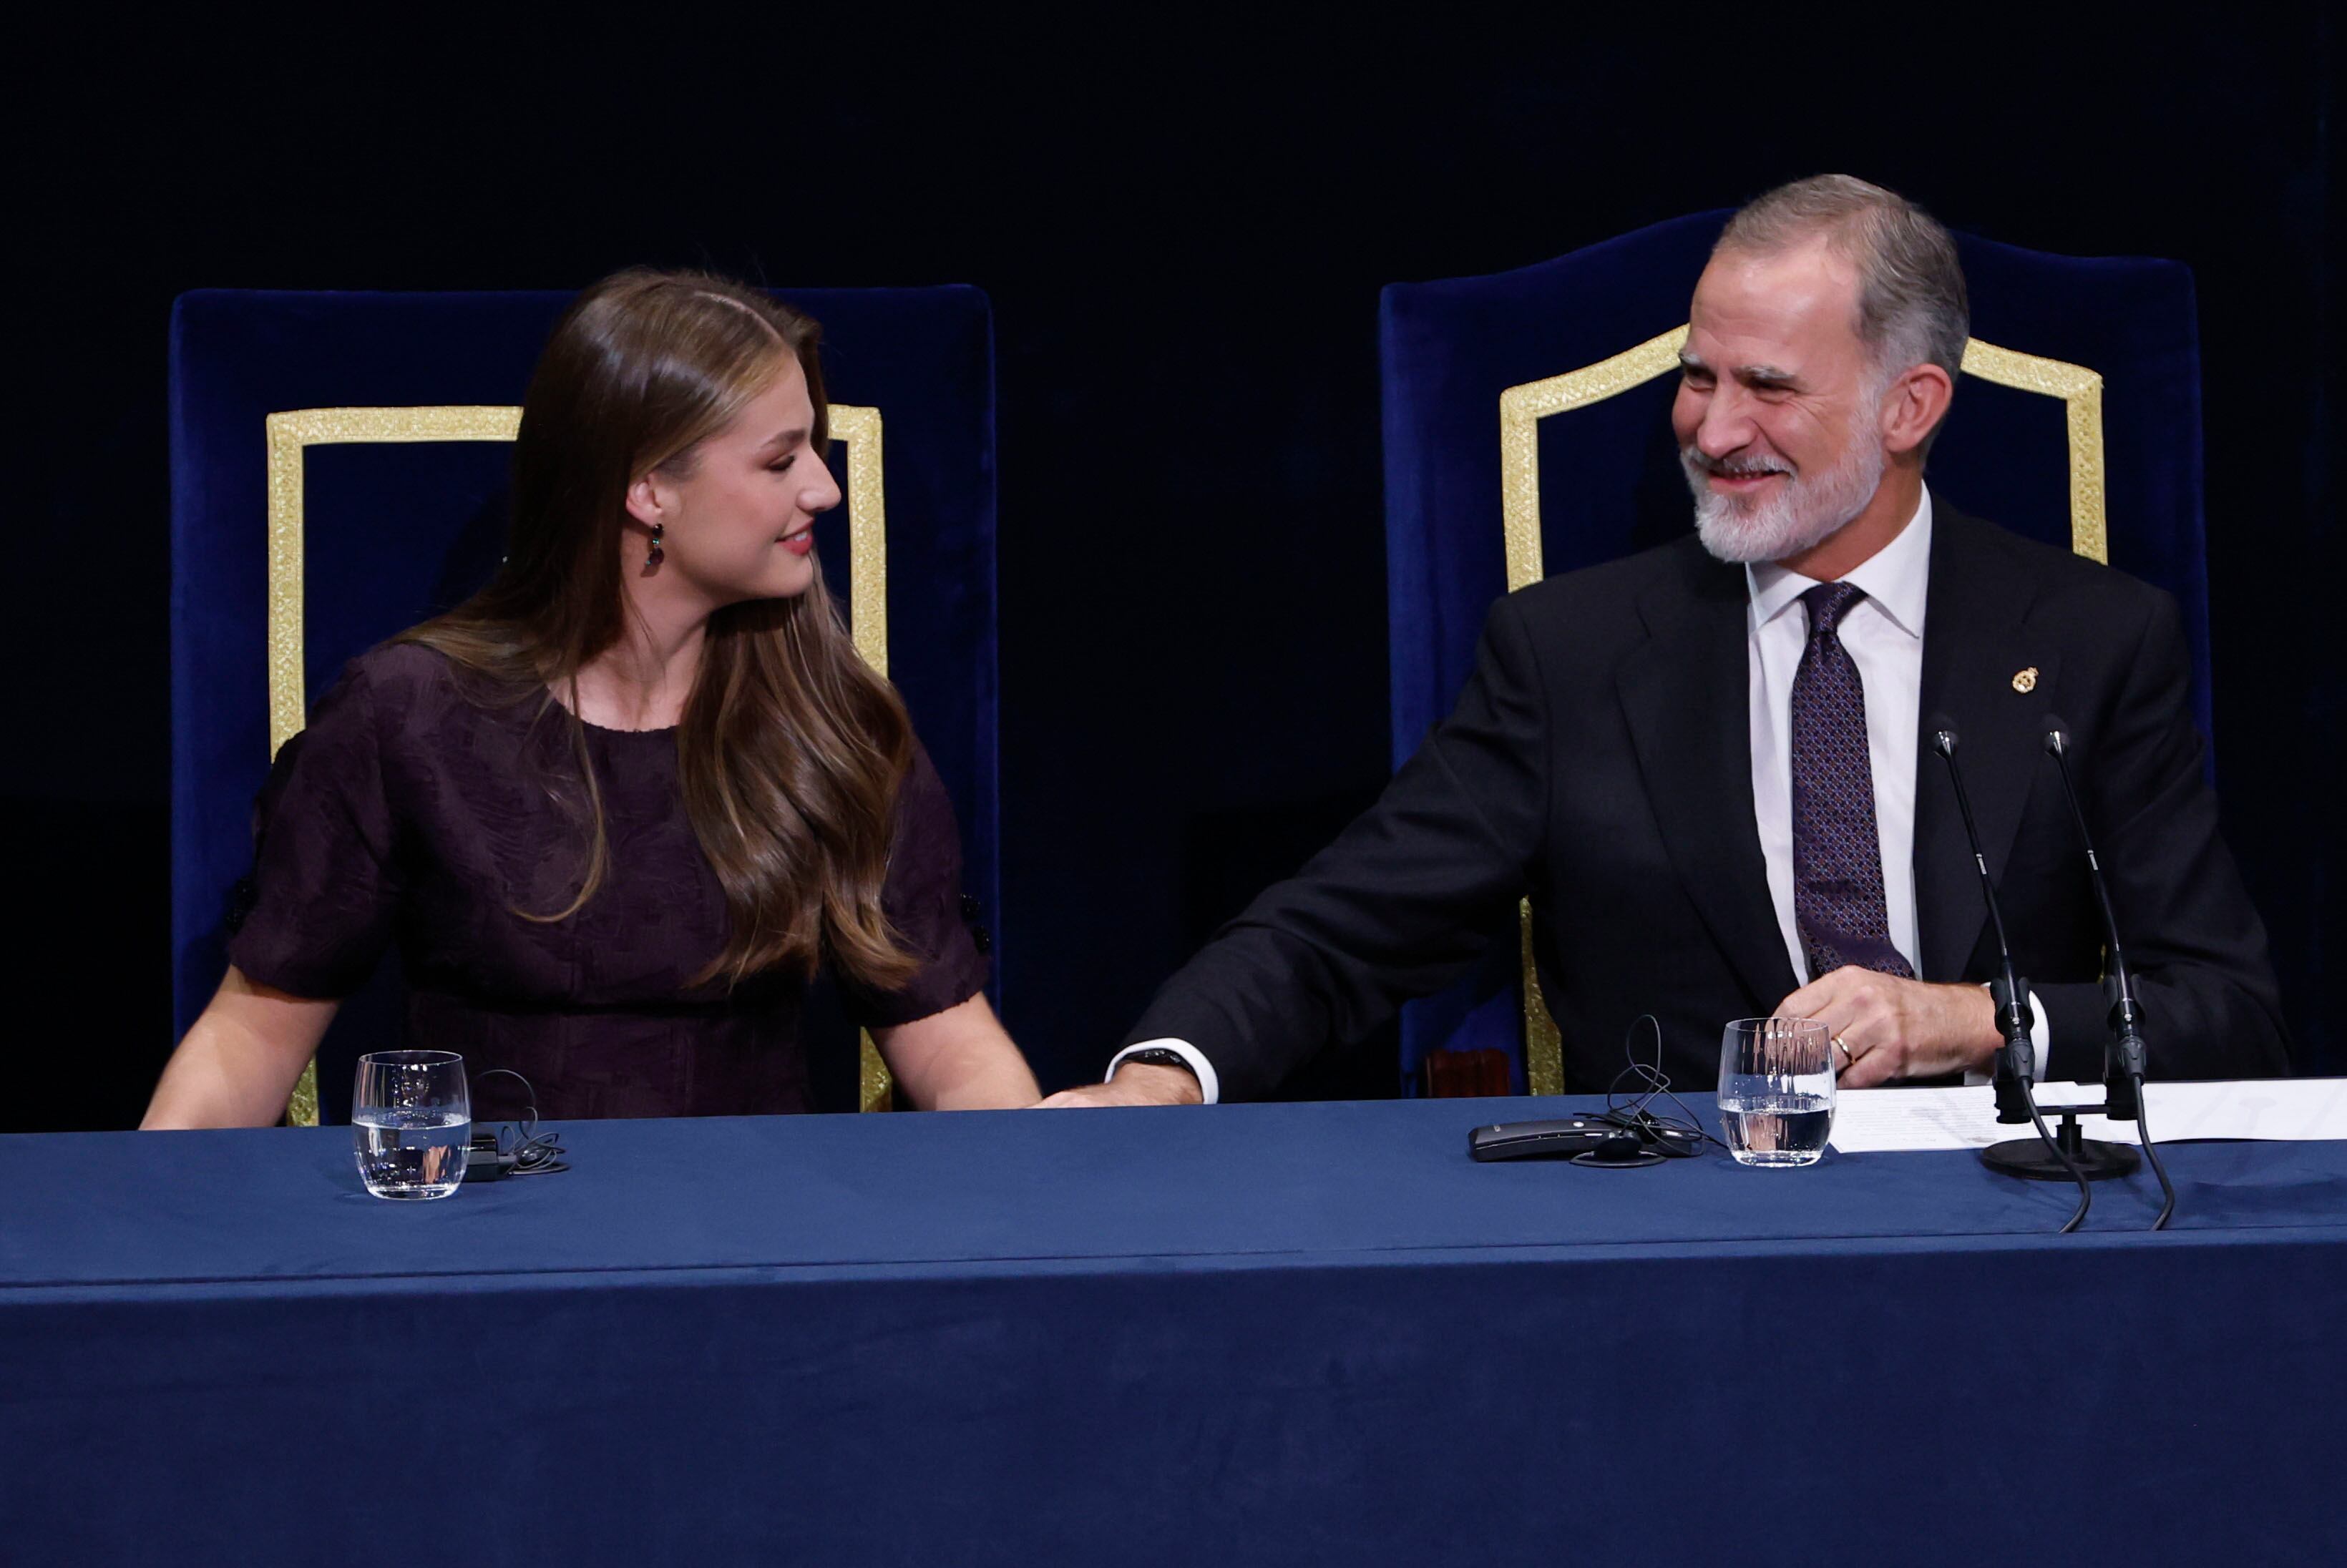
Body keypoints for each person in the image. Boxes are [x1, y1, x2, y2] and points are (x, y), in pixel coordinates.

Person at [1048, 174, 2290, 1109]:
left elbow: (2224, 1015)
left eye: (1769, 385)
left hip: (2025, 1235)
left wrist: (1972, 1019)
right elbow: (1341, 924)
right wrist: (1165, 1071)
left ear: (1910, 407)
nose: (1710, 426)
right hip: (1690, 1247)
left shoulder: (2092, 640)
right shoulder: (1572, 655)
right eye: (1700, 377)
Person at [146, 270, 1040, 1126]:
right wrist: (155, 1223)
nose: (824, 485)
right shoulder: (407, 715)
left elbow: (950, 1037)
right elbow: (251, 1032)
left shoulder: (834, 725)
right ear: (648, 489)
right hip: (486, 1242)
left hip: (754, 1242)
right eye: (779, 460)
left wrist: (1033, 1209)